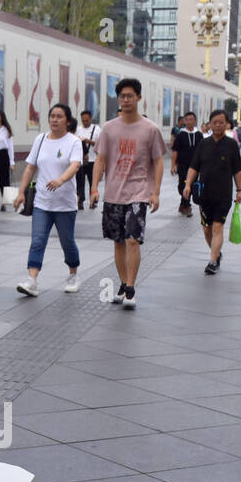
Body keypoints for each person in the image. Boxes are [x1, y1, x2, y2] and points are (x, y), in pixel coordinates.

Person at [90, 77, 166, 310]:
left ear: (139, 98)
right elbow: (100, 160)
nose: (125, 100)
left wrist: (155, 192)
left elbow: (158, 161)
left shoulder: (150, 129)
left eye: (130, 96)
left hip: (139, 192)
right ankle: (123, 283)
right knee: (118, 242)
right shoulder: (109, 129)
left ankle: (131, 287)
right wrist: (94, 188)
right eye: (122, 96)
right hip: (113, 192)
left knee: (133, 240)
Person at [14, 103, 84, 296]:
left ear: (67, 121)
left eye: (59, 116)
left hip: (65, 204)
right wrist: (20, 192)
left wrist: (61, 180)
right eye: (52, 116)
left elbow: (75, 165)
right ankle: (32, 280)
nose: (54, 119)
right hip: (42, 203)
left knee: (67, 242)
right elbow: (30, 167)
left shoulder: (73, 142)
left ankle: (73, 275)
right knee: (37, 241)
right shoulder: (41, 139)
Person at [183, 108, 241, 275]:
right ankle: (216, 253)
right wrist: (188, 184)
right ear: (209, 124)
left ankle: (212, 260)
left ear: (226, 124)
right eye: (214, 122)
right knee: (207, 229)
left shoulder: (232, 145)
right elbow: (194, 167)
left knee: (218, 227)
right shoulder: (203, 144)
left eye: (221, 122)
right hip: (204, 195)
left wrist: (239, 190)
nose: (217, 125)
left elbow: (237, 170)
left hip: (223, 195)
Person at [170, 112, 202, 218]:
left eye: (191, 119)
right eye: (187, 119)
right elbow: (175, 151)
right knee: (183, 185)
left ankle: (185, 205)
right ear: (185, 121)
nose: (189, 121)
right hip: (183, 166)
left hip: (195, 166)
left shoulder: (199, 135)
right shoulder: (180, 135)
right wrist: (173, 165)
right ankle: (185, 204)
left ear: (195, 121)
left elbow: (203, 151)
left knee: (192, 185)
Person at [76, 109, 99, 210]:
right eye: (83, 120)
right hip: (81, 160)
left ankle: (93, 201)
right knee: (80, 183)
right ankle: (80, 201)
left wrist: (87, 140)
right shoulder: (78, 129)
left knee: (92, 182)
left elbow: (100, 144)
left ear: (90, 119)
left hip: (93, 160)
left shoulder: (97, 129)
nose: (84, 122)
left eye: (86, 120)